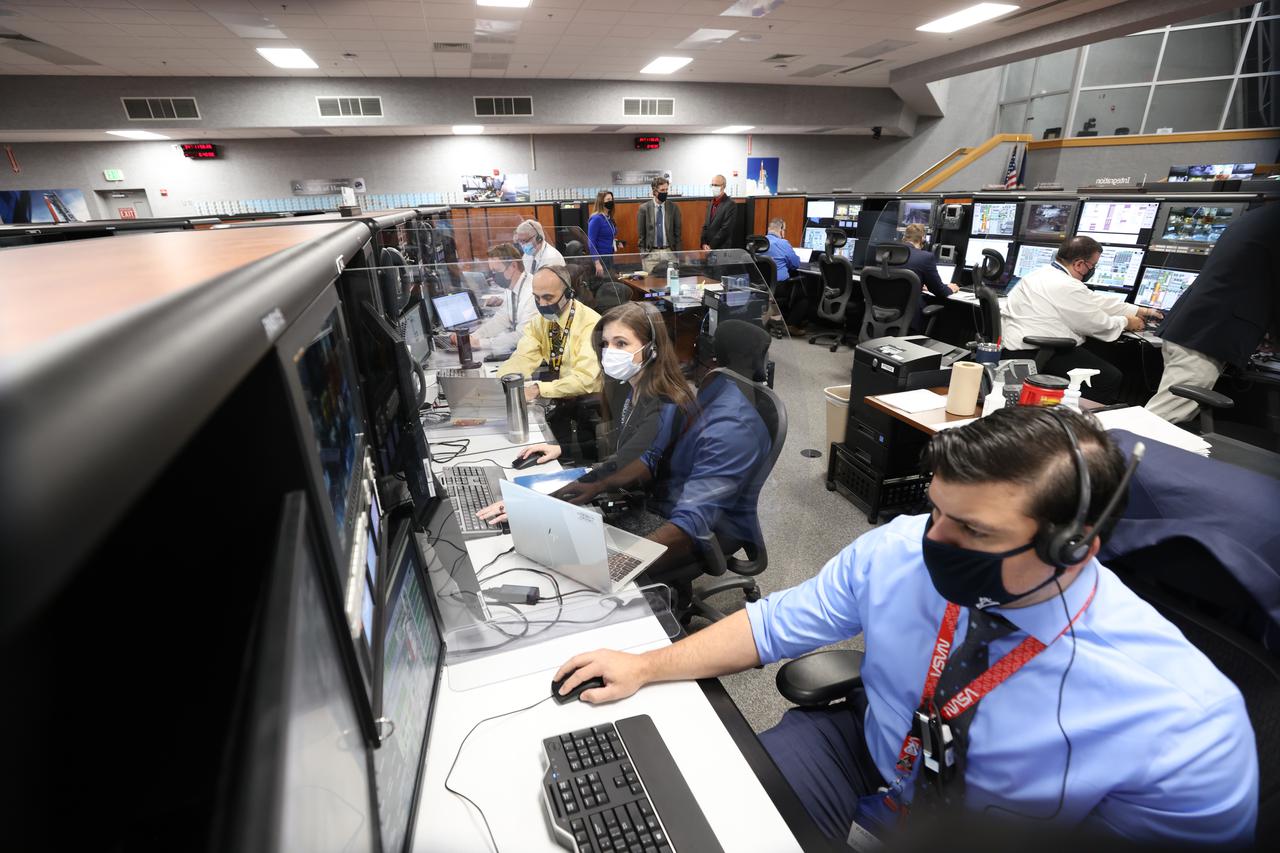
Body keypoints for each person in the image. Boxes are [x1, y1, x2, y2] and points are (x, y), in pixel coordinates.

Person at [552, 407, 1257, 846]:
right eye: (937, 508)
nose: (933, 537)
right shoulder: (899, 548)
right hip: (868, 747)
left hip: (997, 835)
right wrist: (647, 663)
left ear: (1073, 547)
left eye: (973, 528)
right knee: (723, 822)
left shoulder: (1185, 720)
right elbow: (773, 626)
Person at [478, 301, 697, 526]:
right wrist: (562, 449)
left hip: (664, 517)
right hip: (631, 496)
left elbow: (620, 466)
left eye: (621, 343)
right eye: (605, 343)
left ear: (652, 349)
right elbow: (621, 443)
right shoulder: (632, 388)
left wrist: (530, 503)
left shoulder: (666, 405)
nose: (610, 352)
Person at [1145, 202, 1280, 424]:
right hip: (1206, 335)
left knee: (1171, 411)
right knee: (1166, 416)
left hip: (1193, 327)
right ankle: (1106, 456)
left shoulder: (1259, 216)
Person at [1001, 236, 1162, 403]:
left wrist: (1139, 310)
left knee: (1096, 353)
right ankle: (1070, 418)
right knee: (1109, 378)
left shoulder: (1042, 274)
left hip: (1020, 347)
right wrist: (1127, 322)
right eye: (1092, 265)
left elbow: (1093, 300)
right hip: (1038, 351)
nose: (1092, 270)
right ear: (1079, 264)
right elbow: (1099, 325)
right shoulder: (1067, 285)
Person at [497, 265, 602, 403]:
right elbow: (523, 357)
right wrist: (505, 380)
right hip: (556, 398)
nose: (542, 304)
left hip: (585, 403)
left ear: (568, 294)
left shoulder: (590, 324)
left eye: (548, 297)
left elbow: (585, 380)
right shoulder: (540, 322)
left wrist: (537, 389)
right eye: (537, 298)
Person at [465, 242, 533, 355]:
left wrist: (480, 343)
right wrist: (471, 337)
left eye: (497, 270)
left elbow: (522, 335)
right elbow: (501, 319)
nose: (494, 276)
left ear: (513, 266)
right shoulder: (511, 287)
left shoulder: (532, 292)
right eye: (492, 271)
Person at [902, 223, 958, 333]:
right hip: (911, 320)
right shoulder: (925, 257)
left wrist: (917, 284)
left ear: (904, 237)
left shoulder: (887, 253)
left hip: (883, 314)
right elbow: (940, 291)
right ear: (923, 239)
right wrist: (951, 288)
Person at [637, 176, 680, 274]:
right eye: (662, 190)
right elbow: (641, 234)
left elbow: (677, 233)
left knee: (671, 282)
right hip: (651, 253)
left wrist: (677, 253)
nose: (665, 192)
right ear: (655, 191)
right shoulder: (644, 209)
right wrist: (644, 253)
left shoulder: (673, 207)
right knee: (650, 284)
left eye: (666, 190)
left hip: (669, 252)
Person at [701, 174, 738, 251]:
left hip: (721, 249)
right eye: (712, 185)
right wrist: (703, 243)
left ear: (723, 186)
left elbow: (726, 229)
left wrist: (711, 246)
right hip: (707, 249)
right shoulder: (711, 203)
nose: (714, 187)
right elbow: (706, 226)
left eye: (716, 185)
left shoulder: (730, 204)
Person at [587, 190, 619, 276]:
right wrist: (597, 263)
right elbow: (591, 243)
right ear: (601, 202)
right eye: (608, 200)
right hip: (600, 259)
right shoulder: (596, 219)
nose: (611, 202)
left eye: (611, 199)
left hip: (609, 256)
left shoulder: (609, 218)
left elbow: (609, 234)